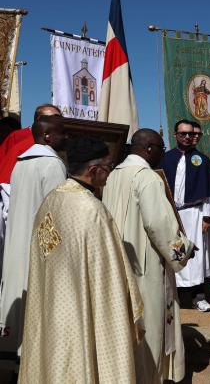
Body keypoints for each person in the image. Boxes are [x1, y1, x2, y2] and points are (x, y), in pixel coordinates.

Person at [18, 137, 143, 383]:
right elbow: (111, 277)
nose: (108, 176)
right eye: (107, 168)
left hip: (51, 305)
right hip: (82, 307)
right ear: (93, 170)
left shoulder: (51, 200)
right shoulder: (92, 209)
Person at [103, 129, 196, 383]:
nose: (162, 155)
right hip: (146, 266)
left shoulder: (113, 175)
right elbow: (159, 225)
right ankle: (149, 376)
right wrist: (184, 249)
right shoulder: (148, 178)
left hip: (119, 260)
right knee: (150, 325)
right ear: (150, 149)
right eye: (161, 149)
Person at [0, 115, 67, 368]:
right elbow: (55, 215)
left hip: (17, 244)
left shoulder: (20, 162)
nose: (67, 137)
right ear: (47, 135)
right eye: (62, 132)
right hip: (38, 250)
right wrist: (56, 259)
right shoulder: (52, 165)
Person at [160, 120, 210, 312]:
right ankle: (176, 295)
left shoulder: (201, 160)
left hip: (194, 213)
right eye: (182, 133)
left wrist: (207, 218)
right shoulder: (165, 158)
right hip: (171, 213)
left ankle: (198, 296)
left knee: (195, 256)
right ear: (175, 135)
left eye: (190, 134)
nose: (187, 137)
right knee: (174, 251)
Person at [0, 104, 61, 184]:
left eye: (59, 118)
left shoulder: (60, 142)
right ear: (39, 120)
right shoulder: (17, 138)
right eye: (54, 118)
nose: (59, 122)